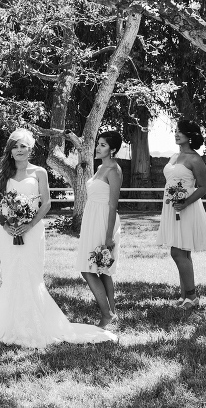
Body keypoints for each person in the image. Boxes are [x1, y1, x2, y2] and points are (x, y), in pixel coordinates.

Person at [0, 129, 116, 347]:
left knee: (31, 273)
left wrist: (28, 224)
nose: (19, 150)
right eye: (15, 146)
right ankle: (8, 323)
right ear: (10, 150)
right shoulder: (3, 173)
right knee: (12, 273)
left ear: (30, 149)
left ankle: (36, 323)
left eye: (23, 146)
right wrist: (6, 225)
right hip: (7, 232)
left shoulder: (40, 172)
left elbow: (46, 203)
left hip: (33, 231)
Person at [156, 119, 206, 308]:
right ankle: (185, 296)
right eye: (176, 130)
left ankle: (192, 296)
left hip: (187, 208)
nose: (176, 133)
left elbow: (203, 187)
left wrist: (185, 202)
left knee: (177, 252)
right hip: (171, 207)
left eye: (181, 131)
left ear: (190, 136)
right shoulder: (174, 156)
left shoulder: (195, 159)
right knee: (183, 252)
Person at [74, 130, 124, 329]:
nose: (98, 147)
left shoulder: (114, 170)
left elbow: (113, 205)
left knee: (88, 270)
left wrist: (108, 235)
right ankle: (112, 312)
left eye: (103, 145)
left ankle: (106, 314)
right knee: (102, 270)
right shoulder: (101, 167)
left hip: (104, 221)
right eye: (99, 144)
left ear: (112, 149)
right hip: (91, 219)